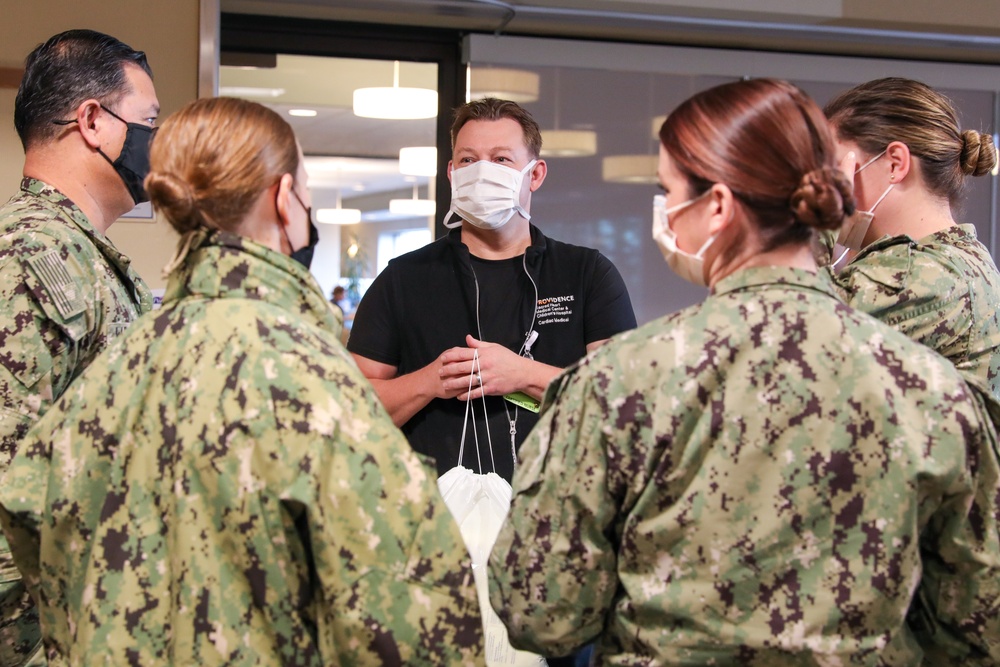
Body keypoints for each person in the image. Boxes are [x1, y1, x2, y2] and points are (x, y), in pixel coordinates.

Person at [489, 79, 1000, 665]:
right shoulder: (936, 391)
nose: (665, 214)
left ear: (719, 206)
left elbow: (541, 611)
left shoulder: (619, 380)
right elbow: (976, 624)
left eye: (669, 191)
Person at [0, 97, 483, 666]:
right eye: (304, 191)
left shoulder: (123, 358)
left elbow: (27, 513)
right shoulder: (311, 378)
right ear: (285, 201)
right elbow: (419, 623)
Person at [347, 97, 636, 483]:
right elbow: (350, 405)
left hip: (558, 513)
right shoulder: (404, 278)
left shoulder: (587, 274)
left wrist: (524, 375)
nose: (482, 172)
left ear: (534, 175)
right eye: (469, 160)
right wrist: (430, 381)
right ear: (452, 173)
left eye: (501, 160)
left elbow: (622, 401)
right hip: (434, 519)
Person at [0, 29, 157, 665]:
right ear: (93, 120)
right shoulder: (33, 257)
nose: (156, 144)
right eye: (147, 122)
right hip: (35, 625)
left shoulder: (84, 257)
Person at [823, 77, 1000, 398]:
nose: (830, 187)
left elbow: (784, 342)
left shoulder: (922, 273)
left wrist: (816, 223)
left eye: (836, 171)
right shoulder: (962, 262)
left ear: (895, 163)